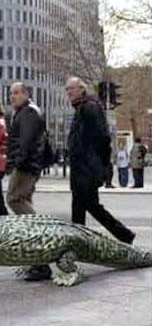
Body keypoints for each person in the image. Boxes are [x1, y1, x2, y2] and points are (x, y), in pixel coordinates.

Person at [65, 76, 135, 244]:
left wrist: (103, 166)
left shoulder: (89, 108)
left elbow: (102, 138)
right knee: (90, 205)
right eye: (67, 89)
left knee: (81, 206)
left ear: (82, 89)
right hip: (84, 166)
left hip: (87, 167)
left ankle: (78, 243)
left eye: (72, 88)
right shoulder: (83, 107)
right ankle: (124, 235)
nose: (69, 92)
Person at [6, 82, 52, 281]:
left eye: (16, 93)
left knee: (14, 200)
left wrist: (17, 163)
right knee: (23, 202)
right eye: (11, 93)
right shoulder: (25, 112)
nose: (12, 96)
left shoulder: (28, 113)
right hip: (28, 165)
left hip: (25, 167)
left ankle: (40, 234)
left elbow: (26, 141)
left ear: (26, 94)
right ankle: (36, 261)